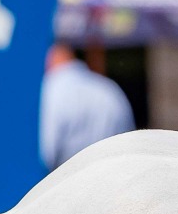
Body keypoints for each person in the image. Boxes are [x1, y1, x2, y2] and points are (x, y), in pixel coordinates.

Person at [39, 43, 135, 171]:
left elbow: (45, 154)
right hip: (111, 180)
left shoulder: (49, 91)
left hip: (67, 183)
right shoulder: (109, 89)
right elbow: (131, 144)